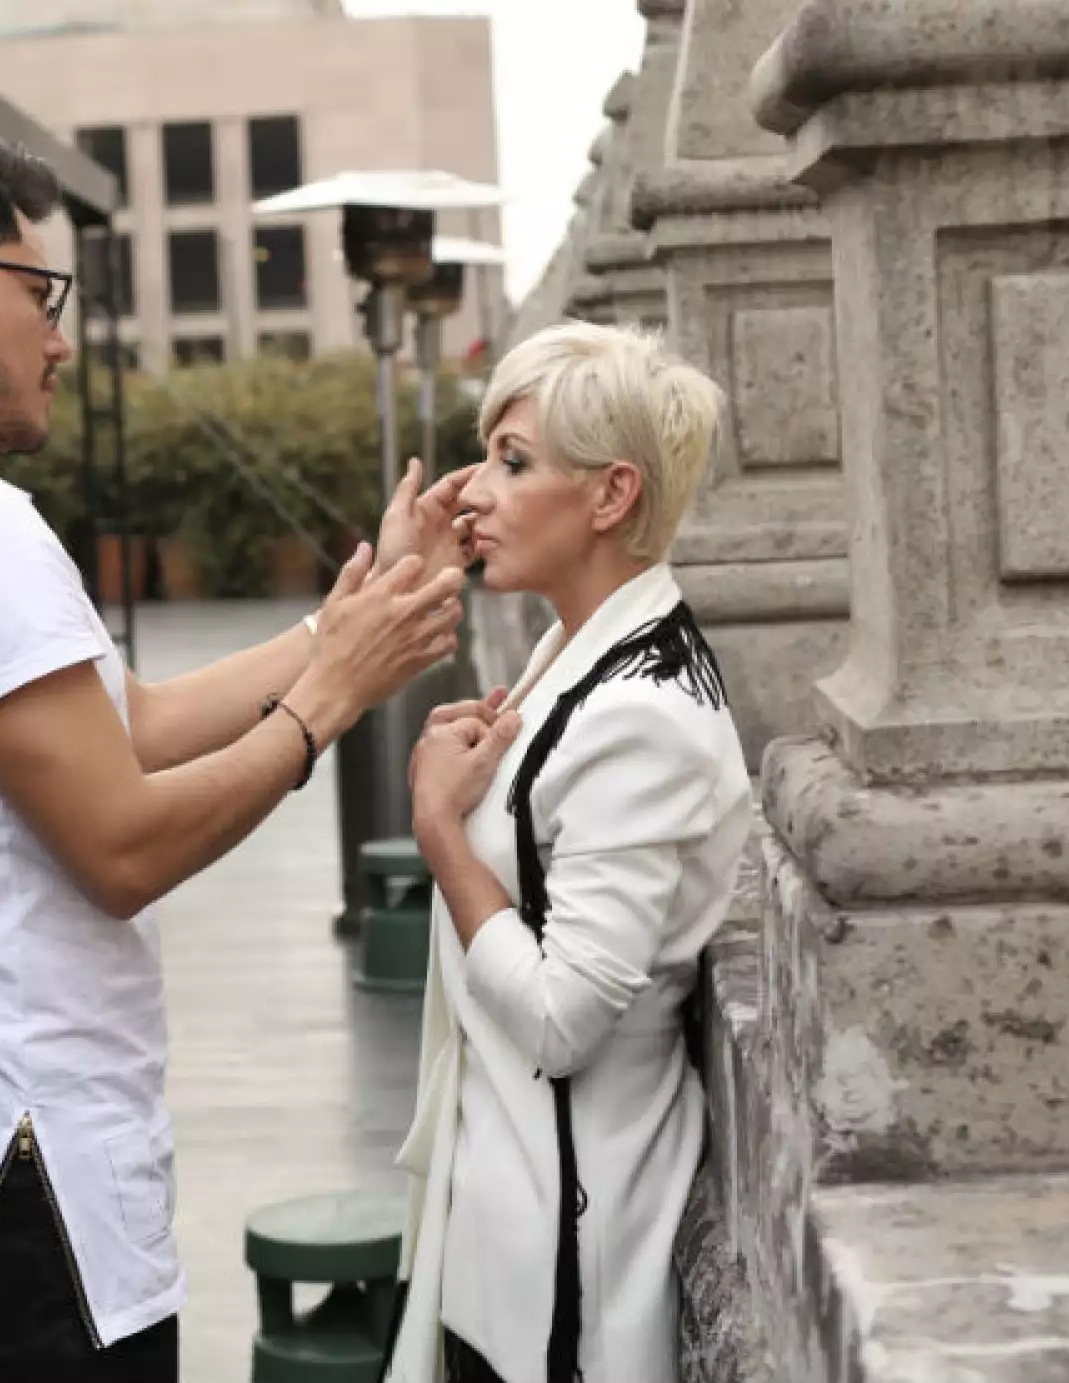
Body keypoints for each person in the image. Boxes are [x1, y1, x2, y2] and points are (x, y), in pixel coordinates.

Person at [0, 135, 469, 1383]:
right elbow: (122, 845)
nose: (58, 339)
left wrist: (339, 628)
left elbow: (131, 722)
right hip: (28, 1144)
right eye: (38, 296)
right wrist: (328, 705)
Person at [387, 322, 753, 1383]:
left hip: (565, 1278)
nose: (473, 495)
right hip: (510, 1221)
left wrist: (438, 832)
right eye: (485, 456)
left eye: (513, 463)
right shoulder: (578, 653)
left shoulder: (642, 712)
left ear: (610, 496)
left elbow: (561, 1021)